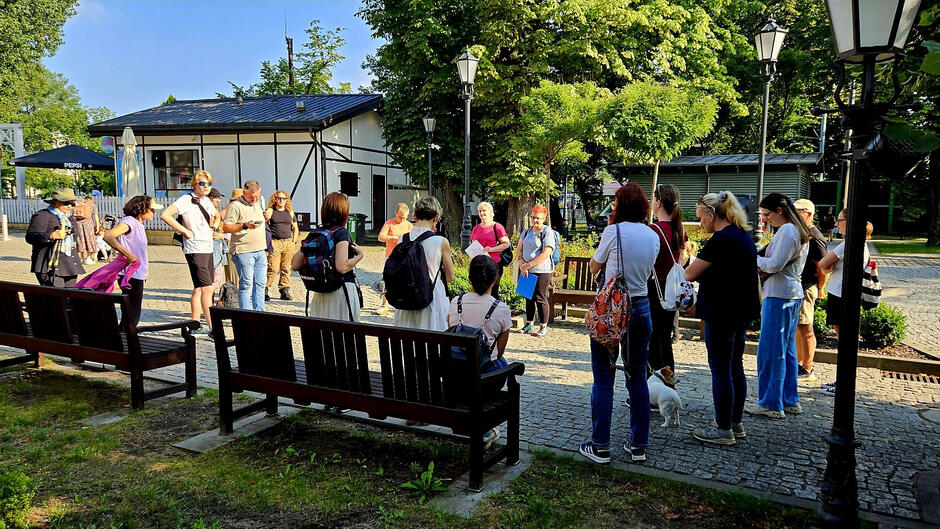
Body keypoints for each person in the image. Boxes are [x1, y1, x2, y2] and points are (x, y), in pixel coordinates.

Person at [579, 183, 659, 464]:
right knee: (637, 376)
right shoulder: (653, 235)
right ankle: (638, 444)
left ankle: (600, 445)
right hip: (641, 307)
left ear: (621, 205)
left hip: (613, 310)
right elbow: (648, 274)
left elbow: (594, 266)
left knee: (603, 376)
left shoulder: (613, 232)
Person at [686, 192, 760, 445]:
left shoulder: (721, 240)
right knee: (734, 366)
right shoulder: (742, 235)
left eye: (700, 219)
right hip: (741, 311)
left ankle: (723, 428)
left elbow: (689, 275)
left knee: (720, 369)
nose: (700, 224)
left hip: (721, 312)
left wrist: (686, 261)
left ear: (711, 214)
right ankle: (735, 422)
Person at [745, 193, 810, 419]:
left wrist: (751, 257)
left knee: (771, 351)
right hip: (790, 293)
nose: (765, 219)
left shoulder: (788, 231)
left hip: (780, 295)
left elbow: (774, 265)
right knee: (787, 350)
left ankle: (771, 403)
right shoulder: (797, 229)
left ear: (779, 211)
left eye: (767, 214)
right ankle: (789, 398)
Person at [446, 255, 513, 444]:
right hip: (482, 381)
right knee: (503, 363)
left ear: (470, 278)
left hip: (454, 376)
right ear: (495, 279)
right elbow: (498, 353)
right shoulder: (501, 309)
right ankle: (484, 430)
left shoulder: (455, 303)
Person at [818, 211, 873, 396]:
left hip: (840, 295)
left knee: (844, 342)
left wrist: (828, 266)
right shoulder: (858, 244)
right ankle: (841, 380)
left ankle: (844, 383)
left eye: (839, 220)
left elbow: (823, 264)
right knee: (844, 341)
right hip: (842, 294)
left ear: (849, 222)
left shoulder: (847, 244)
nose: (837, 224)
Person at [160, 169, 219, 335]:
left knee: (200, 288)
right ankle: (214, 327)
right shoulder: (186, 200)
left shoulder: (207, 200)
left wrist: (214, 225)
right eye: (202, 183)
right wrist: (185, 231)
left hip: (207, 247)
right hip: (195, 248)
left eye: (209, 184)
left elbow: (216, 215)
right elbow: (165, 215)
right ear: (195, 184)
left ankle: (195, 323)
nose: (206, 186)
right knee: (207, 288)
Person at [291, 191, 364, 321]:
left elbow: (295, 264)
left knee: (323, 337)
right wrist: (359, 256)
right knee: (343, 338)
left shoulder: (315, 233)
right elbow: (342, 267)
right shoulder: (341, 233)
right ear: (344, 212)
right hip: (340, 292)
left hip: (320, 294)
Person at [394, 196, 455, 331]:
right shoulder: (441, 241)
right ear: (435, 219)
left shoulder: (402, 239)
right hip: (432, 298)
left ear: (415, 216)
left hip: (407, 298)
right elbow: (450, 276)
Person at [102, 195, 163, 327]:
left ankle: (125, 337)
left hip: (137, 272)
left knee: (132, 311)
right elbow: (108, 236)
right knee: (132, 312)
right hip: (130, 273)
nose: (154, 212)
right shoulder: (129, 222)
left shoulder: (137, 224)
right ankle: (126, 339)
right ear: (142, 208)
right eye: (152, 209)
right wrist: (127, 254)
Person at [648, 184, 687, 374]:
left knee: (653, 337)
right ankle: (669, 380)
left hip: (654, 287)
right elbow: (684, 256)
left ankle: (655, 386)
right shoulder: (679, 228)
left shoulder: (654, 230)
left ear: (659, 203)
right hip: (672, 288)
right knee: (664, 336)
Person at [793, 199, 829, 383]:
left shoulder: (815, 237)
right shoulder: (804, 232)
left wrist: (820, 288)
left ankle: (807, 368)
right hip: (801, 286)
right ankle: (800, 365)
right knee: (799, 327)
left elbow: (823, 266)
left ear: (808, 213)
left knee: (805, 327)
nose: (793, 214)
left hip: (807, 287)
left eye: (798, 211)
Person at [222, 180, 268, 311]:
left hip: (260, 250)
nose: (254, 199)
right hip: (243, 250)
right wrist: (244, 225)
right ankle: (246, 315)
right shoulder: (235, 206)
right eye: (250, 197)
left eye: (256, 196)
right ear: (244, 193)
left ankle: (260, 314)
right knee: (246, 284)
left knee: (260, 284)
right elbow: (225, 227)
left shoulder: (258, 204)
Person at [26, 188, 85, 287]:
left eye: (73, 203)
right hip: (49, 264)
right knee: (55, 300)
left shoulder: (70, 218)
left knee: (69, 298)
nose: (70, 206)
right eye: (66, 203)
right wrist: (51, 236)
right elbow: (30, 237)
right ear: (56, 202)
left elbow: (75, 236)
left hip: (69, 263)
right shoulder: (43, 215)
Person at [515, 205, 556, 337]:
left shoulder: (547, 232)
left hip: (542, 269)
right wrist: (522, 262)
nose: (534, 221)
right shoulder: (526, 231)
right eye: (533, 217)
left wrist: (528, 265)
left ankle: (543, 325)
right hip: (526, 269)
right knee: (528, 297)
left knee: (540, 297)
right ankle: (529, 323)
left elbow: (546, 253)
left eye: (537, 218)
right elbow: (519, 248)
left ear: (544, 218)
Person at [376, 202, 413, 314]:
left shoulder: (408, 225)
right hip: (391, 255)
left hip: (405, 256)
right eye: (399, 217)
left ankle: (403, 303)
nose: (401, 219)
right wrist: (392, 237)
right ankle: (384, 304)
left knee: (405, 279)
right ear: (395, 213)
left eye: (404, 217)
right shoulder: (389, 223)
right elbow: (380, 237)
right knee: (387, 280)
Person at [470, 201, 511, 300]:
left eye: (484, 210)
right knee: (479, 292)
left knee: (493, 291)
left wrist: (491, 249)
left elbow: (506, 244)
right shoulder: (476, 228)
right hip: (479, 265)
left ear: (490, 212)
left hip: (494, 264)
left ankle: (493, 313)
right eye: (480, 211)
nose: (482, 213)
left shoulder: (497, 227)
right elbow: (473, 245)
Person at [265, 190, 299, 301]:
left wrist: (294, 241)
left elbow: (295, 227)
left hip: (288, 242)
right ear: (275, 199)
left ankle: (284, 289)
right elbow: (263, 223)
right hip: (275, 242)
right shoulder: (271, 211)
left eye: (284, 198)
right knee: (273, 268)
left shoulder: (290, 212)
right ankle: (265, 288)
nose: (281, 200)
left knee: (286, 268)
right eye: (279, 198)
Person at [222, 189, 242, 286]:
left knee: (235, 265)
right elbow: (221, 216)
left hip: (235, 240)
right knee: (232, 266)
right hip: (229, 239)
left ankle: (233, 286)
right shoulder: (231, 206)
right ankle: (233, 287)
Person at [74, 195, 101, 265]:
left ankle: (82, 258)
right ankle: (88, 258)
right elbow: (96, 216)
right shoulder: (92, 205)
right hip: (88, 224)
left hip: (78, 224)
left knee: (81, 240)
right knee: (89, 239)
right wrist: (98, 226)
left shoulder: (78, 204)